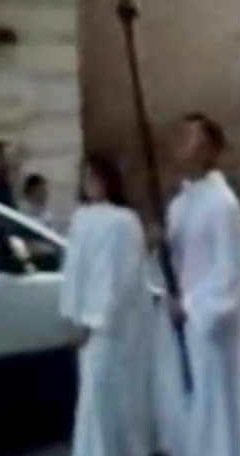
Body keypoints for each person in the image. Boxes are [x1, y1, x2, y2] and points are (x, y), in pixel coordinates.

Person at [165, 113, 240, 456]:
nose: (181, 145)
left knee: (220, 405)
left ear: (209, 151)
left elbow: (229, 273)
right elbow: (177, 259)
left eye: (191, 138)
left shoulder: (223, 205)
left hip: (214, 324)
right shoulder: (180, 203)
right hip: (189, 318)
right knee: (197, 402)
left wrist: (190, 307)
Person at [60, 153, 151, 456]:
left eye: (96, 177)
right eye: (86, 177)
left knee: (113, 398)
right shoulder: (81, 218)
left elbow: (118, 275)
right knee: (93, 400)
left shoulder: (124, 221)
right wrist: (72, 315)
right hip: (88, 324)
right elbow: (74, 271)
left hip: (112, 326)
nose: (91, 184)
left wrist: (95, 318)